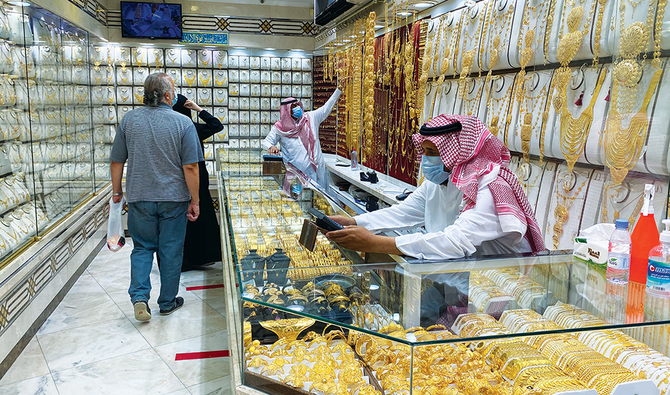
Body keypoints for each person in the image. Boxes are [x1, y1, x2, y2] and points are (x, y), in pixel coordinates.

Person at [326, 114, 545, 260]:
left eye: (432, 154)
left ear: (458, 152)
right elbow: (404, 213)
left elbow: (456, 241)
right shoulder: (439, 181)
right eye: (425, 152)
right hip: (462, 274)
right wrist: (354, 221)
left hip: (500, 281)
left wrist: (377, 243)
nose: (425, 161)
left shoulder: (489, 186)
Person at [110, 73, 203, 322]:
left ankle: (140, 298)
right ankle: (167, 302)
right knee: (171, 251)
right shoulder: (182, 123)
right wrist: (195, 200)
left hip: (140, 197)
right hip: (174, 199)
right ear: (168, 95)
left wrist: (117, 191)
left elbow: (117, 160)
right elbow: (191, 168)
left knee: (142, 248)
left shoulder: (129, 120)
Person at [172, 95, 223, 270]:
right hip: (196, 180)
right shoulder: (191, 128)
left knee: (185, 222)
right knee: (199, 218)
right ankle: (200, 256)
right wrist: (199, 109)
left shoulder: (175, 129)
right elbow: (216, 125)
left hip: (180, 180)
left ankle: (187, 260)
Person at [262, 88, 341, 188]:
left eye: (297, 105)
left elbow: (326, 108)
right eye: (293, 106)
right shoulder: (280, 128)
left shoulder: (310, 118)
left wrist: (339, 90)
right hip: (295, 176)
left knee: (317, 200)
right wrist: (271, 147)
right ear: (286, 110)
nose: (297, 108)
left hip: (315, 173)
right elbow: (265, 142)